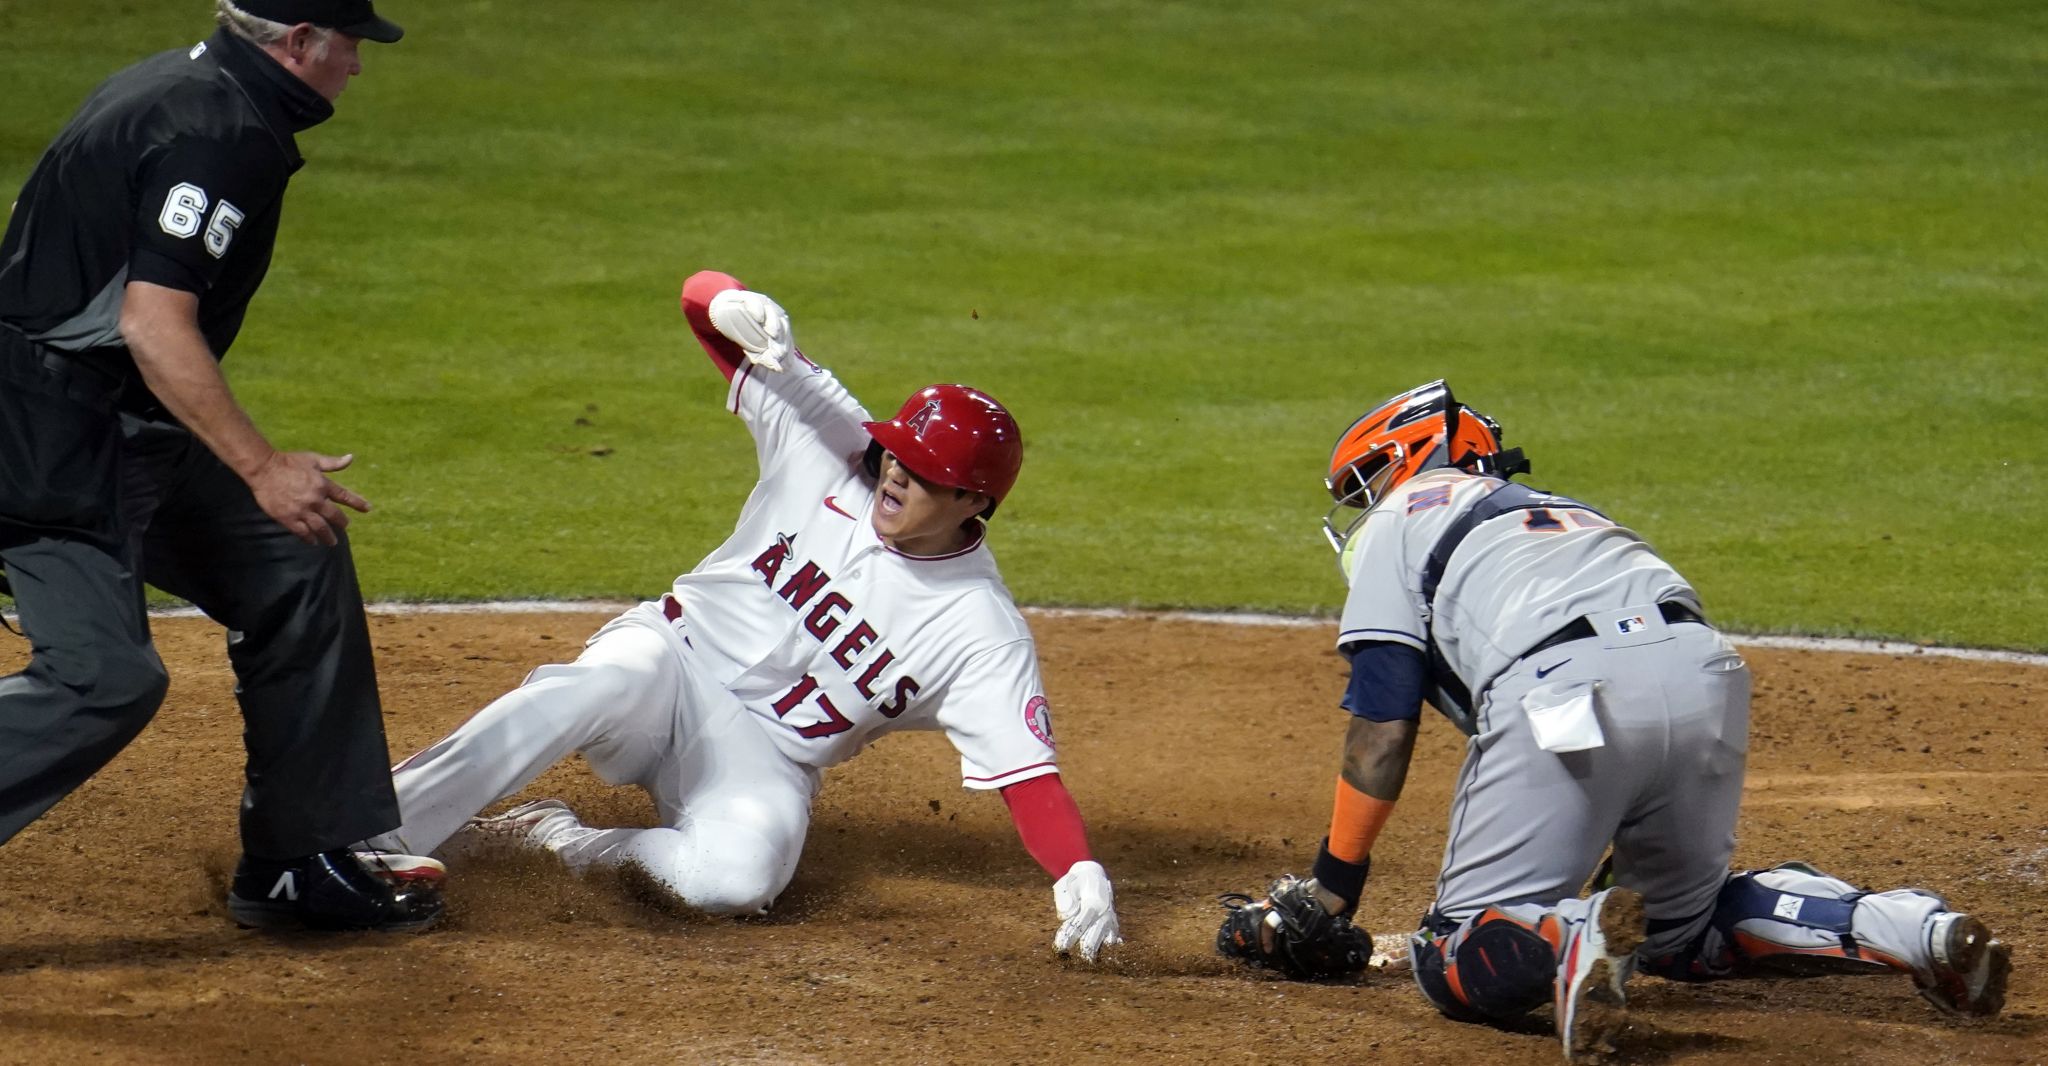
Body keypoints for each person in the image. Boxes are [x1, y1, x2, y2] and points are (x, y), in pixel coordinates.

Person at [1214, 381, 2011, 1061]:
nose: (1366, 505)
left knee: (1450, 953)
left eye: (1368, 481)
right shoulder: (1566, 513)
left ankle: (1567, 937)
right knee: (1678, 933)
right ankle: (1910, 927)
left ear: (1413, 458)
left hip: (1566, 693)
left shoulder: (1404, 518)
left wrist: (1333, 890)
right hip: (1708, 678)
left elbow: (1383, 724)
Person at [364, 270, 1124, 960]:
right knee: (580, 691)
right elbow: (705, 311)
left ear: (974, 503)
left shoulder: (978, 631)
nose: (895, 474)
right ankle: (367, 835)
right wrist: (725, 298)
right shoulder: (833, 444)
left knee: (734, 881)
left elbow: (1030, 779)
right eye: (898, 453)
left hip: (765, 757)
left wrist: (1077, 867)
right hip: (669, 661)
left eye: (925, 475)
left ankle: (553, 840)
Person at [0, 0, 442, 932]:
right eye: (350, 45)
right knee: (104, 681)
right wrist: (260, 464)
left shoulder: (187, 86)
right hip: (47, 436)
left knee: (295, 553)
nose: (357, 66)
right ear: (296, 44)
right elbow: (151, 321)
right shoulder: (218, 128)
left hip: (114, 420)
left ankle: (296, 862)